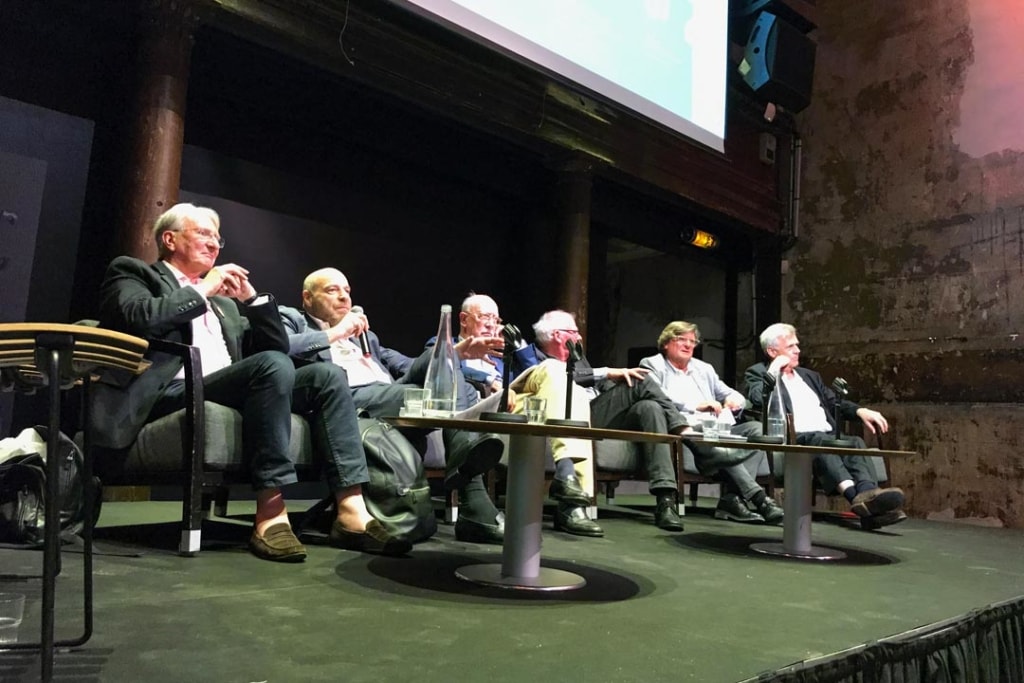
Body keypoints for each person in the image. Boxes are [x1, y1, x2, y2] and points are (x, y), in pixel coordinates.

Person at [93, 203, 410, 561]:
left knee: (327, 375)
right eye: (203, 234)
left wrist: (252, 299)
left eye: (217, 237)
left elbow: (277, 346)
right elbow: (138, 317)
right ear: (170, 239)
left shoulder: (226, 306)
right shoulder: (135, 273)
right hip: (171, 390)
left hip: (223, 386)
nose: (214, 244)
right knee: (271, 366)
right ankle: (271, 511)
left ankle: (351, 508)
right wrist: (203, 290)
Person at [279, 268, 507, 545]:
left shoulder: (367, 338)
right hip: (343, 397)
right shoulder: (294, 319)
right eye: (332, 290)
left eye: (347, 291)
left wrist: (455, 352)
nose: (343, 297)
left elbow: (411, 367)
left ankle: (465, 464)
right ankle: (472, 491)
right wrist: (337, 333)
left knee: (454, 377)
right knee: (447, 391)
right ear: (307, 297)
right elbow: (279, 346)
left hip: (387, 397)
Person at [511, 310, 689, 535]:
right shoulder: (534, 358)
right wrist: (608, 372)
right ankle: (684, 430)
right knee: (642, 380)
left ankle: (666, 500)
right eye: (575, 332)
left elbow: (601, 386)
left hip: (598, 414)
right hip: (572, 414)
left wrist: (617, 388)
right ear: (557, 335)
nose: (580, 337)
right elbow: (559, 377)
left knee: (649, 407)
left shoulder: (579, 357)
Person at [745, 323, 906, 530]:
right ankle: (857, 500)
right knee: (818, 441)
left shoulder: (809, 376)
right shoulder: (757, 372)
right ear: (772, 351)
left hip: (823, 434)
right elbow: (758, 397)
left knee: (854, 441)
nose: (798, 350)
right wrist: (775, 369)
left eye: (798, 345)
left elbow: (832, 402)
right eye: (791, 346)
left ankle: (869, 497)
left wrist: (860, 411)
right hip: (794, 439)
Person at [640, 321, 784, 524]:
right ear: (666, 343)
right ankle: (758, 498)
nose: (688, 345)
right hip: (685, 427)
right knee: (713, 437)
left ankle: (733, 498)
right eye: (682, 339)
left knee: (756, 429)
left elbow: (732, 394)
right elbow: (657, 395)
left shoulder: (703, 369)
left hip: (716, 426)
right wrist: (697, 405)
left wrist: (733, 400)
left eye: (693, 341)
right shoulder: (652, 364)